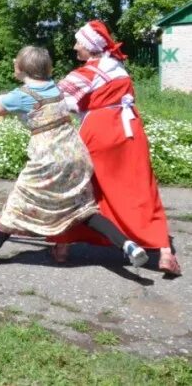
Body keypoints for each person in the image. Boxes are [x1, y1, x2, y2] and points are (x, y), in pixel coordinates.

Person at [0, 46, 148, 269]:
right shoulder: (54, 88)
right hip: (75, 154)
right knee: (82, 208)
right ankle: (127, 245)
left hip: (48, 159)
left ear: (21, 68)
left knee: (18, 203)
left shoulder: (23, 96)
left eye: (15, 61)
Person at [49, 21, 182, 275]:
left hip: (99, 130)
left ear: (89, 47)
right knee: (142, 187)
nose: (75, 47)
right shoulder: (119, 69)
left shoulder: (86, 73)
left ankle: (62, 247)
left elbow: (56, 98)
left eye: (79, 42)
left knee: (83, 187)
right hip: (130, 129)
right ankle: (165, 252)